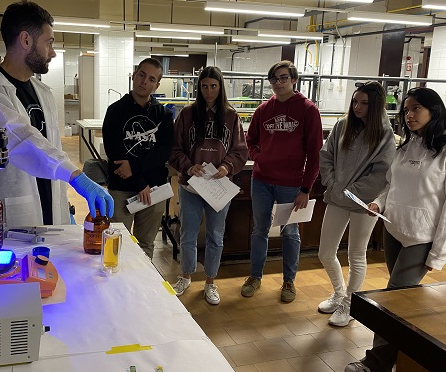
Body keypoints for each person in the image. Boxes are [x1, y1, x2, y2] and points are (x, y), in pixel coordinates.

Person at [0, 0, 113, 228]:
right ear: (25, 40)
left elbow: (51, 147)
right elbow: (21, 138)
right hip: (11, 211)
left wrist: (64, 208)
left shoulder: (42, 92)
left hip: (49, 206)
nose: (52, 52)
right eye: (49, 43)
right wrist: (75, 176)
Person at [345, 87, 446, 372]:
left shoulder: (442, 151)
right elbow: (393, 185)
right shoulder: (407, 145)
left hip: (421, 238)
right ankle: (398, 355)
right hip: (393, 228)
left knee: (391, 302)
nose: (409, 115)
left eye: (416, 109)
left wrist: (438, 253)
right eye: (406, 110)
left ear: (434, 111)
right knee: (399, 301)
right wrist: (379, 202)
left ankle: (376, 363)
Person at [241, 60, 323, 303]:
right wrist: (258, 157)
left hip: (291, 184)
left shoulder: (308, 110)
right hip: (262, 180)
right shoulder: (263, 109)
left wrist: (306, 188)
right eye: (274, 79)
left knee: (290, 232)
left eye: (283, 78)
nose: (278, 83)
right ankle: (255, 276)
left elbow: (315, 153)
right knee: (259, 230)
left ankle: (289, 281)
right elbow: (250, 139)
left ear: (294, 80)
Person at [317, 81, 396, 327]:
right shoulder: (342, 126)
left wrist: (352, 192)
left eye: (364, 103)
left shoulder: (384, 134)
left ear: (376, 107)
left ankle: (349, 304)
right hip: (337, 197)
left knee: (356, 254)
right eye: (355, 102)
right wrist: (332, 183)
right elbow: (326, 154)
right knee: (325, 252)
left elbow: (381, 173)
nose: (357, 107)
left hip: (364, 204)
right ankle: (339, 293)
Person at [169, 66, 248, 305]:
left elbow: (240, 151)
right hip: (191, 185)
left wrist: (226, 167)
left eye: (213, 86)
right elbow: (175, 149)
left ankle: (211, 282)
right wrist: (187, 166)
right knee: (188, 233)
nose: (209, 91)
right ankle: (185, 276)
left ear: (220, 87)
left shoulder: (231, 116)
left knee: (216, 235)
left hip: (218, 186)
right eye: (204, 86)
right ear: (198, 87)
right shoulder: (187, 114)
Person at [102, 58, 174, 258]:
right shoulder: (115, 111)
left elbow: (163, 151)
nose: (144, 81)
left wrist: (136, 170)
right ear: (134, 75)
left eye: (151, 79)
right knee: (116, 244)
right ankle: (116, 288)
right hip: (121, 189)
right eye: (142, 75)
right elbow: (115, 153)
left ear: (156, 85)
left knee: (145, 246)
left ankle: (143, 289)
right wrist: (140, 181)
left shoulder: (164, 115)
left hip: (154, 191)